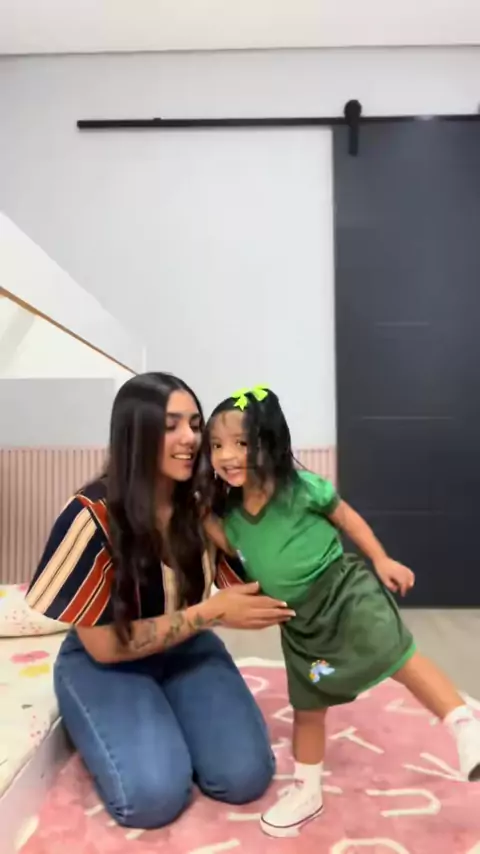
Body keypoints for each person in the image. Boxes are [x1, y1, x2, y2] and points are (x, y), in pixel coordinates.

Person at [199, 385, 480, 839]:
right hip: (299, 622)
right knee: (308, 706)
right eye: (216, 445)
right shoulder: (228, 511)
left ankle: (465, 726)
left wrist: (381, 559)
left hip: (344, 592)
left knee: (397, 655)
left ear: (269, 442)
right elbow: (235, 547)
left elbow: (346, 518)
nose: (226, 455)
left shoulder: (301, 489)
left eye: (240, 442)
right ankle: (307, 790)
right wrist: (199, 517)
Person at [26, 373, 296, 830]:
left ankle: (167, 717)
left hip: (187, 648)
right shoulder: (91, 516)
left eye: (195, 424)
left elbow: (267, 583)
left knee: (244, 777)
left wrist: (252, 508)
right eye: (171, 426)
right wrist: (211, 612)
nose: (190, 438)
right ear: (136, 434)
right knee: (153, 798)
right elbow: (105, 646)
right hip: (106, 661)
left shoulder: (205, 505)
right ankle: (124, 721)